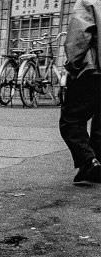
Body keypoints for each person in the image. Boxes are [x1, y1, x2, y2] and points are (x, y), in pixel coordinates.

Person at [59, 0, 101, 186]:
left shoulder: (90, 1)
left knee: (71, 119)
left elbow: (79, 35)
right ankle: (95, 166)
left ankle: (88, 160)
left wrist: (73, 64)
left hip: (93, 69)